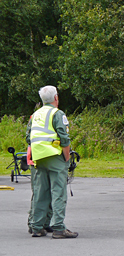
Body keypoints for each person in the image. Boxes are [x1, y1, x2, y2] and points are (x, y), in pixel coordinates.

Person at [27, 86, 78, 238]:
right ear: (56, 98)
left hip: (38, 157)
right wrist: (66, 158)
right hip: (54, 156)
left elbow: (28, 137)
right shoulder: (58, 113)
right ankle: (58, 228)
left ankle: (36, 227)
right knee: (58, 192)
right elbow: (64, 138)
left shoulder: (35, 115)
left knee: (40, 192)